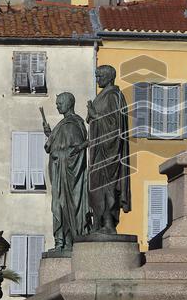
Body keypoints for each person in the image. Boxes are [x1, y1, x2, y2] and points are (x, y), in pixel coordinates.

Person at [80, 66, 132, 235]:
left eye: (100, 76)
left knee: (107, 186)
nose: (97, 79)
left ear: (109, 78)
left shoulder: (113, 96)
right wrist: (92, 116)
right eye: (96, 76)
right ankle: (97, 223)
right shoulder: (101, 97)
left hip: (109, 151)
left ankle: (108, 224)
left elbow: (114, 125)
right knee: (94, 186)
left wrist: (95, 116)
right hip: (97, 150)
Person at [43, 92, 90, 251]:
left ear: (69, 103)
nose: (57, 106)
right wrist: (50, 136)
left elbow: (74, 152)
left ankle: (66, 241)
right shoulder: (62, 125)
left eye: (59, 103)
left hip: (68, 178)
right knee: (58, 206)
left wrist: (59, 155)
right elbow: (56, 147)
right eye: (56, 103)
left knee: (65, 207)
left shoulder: (73, 124)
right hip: (59, 175)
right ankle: (60, 241)